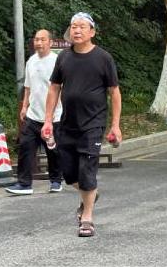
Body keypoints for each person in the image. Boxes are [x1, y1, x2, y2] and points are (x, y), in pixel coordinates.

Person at [42, 12, 122, 237]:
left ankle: (87, 218)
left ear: (92, 32)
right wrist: (48, 120)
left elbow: (114, 92)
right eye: (73, 26)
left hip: (93, 124)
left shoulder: (103, 58)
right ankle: (91, 194)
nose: (76, 30)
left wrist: (115, 125)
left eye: (81, 26)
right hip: (67, 123)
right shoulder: (64, 57)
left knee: (87, 170)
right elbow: (54, 88)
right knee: (69, 174)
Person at [6, 30, 63, 195]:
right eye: (37, 40)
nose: (39, 43)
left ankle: (56, 180)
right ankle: (24, 184)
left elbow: (61, 88)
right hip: (33, 115)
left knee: (53, 150)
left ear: (50, 42)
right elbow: (28, 87)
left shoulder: (57, 61)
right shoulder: (31, 61)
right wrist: (25, 106)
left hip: (53, 117)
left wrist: (57, 111)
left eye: (43, 40)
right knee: (25, 147)